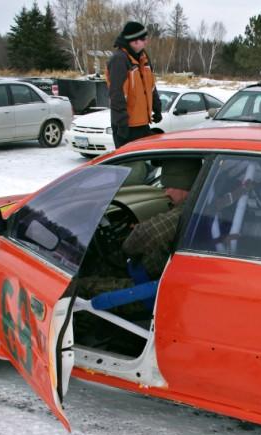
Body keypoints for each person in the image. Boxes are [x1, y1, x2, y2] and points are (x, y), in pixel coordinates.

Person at [77, 158, 203, 301]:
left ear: (184, 184)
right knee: (97, 267)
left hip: (150, 287)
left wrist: (127, 247)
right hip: (162, 274)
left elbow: (144, 235)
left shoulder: (186, 213)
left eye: (169, 186)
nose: (165, 192)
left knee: (80, 288)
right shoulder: (203, 203)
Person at [106, 21, 163, 149]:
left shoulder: (143, 58)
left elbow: (150, 86)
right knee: (130, 167)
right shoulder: (119, 60)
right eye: (143, 39)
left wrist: (157, 108)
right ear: (134, 41)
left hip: (142, 124)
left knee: (145, 165)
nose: (146, 42)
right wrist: (122, 124)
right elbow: (116, 94)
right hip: (127, 127)